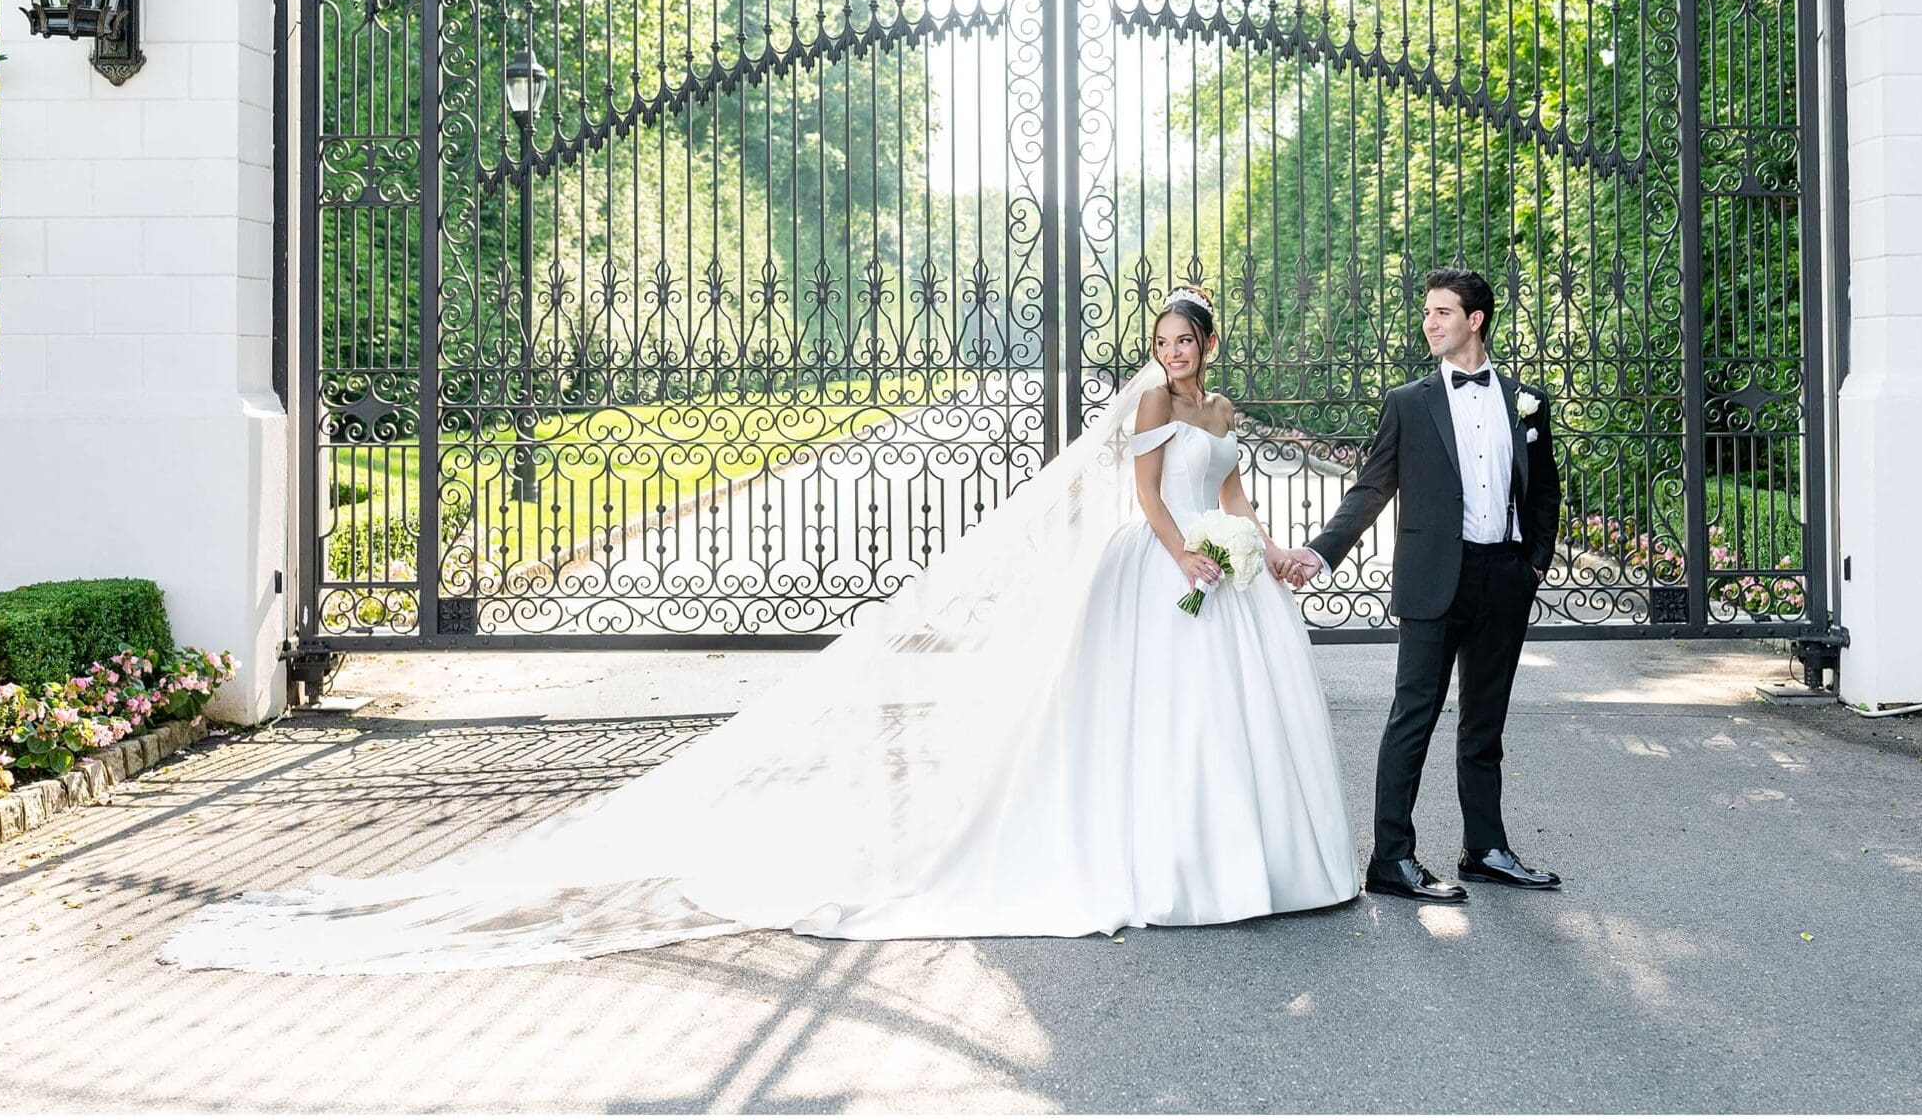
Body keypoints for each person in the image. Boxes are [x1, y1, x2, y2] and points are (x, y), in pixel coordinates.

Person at [160, 289, 1357, 971]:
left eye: (1186, 340)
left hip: (1222, 576)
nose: (1173, 354)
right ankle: (1167, 853)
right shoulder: (1147, 403)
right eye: (1163, 339)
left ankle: (1240, 856)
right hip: (1155, 573)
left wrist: (1254, 544)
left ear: (1210, 345)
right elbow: (1146, 499)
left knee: (1223, 725)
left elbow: (1228, 489)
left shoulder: (1222, 408)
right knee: (1142, 722)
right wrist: (1186, 552)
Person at [1296, 266, 1563, 903]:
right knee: (1412, 718)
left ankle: (1486, 848)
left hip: (1503, 576)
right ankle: (1391, 857)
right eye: (1427, 313)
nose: (1430, 322)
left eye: (1442, 312)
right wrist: (1321, 551)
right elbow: (1371, 487)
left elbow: (1545, 486)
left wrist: (1535, 563)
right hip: (1432, 580)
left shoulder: (1524, 401)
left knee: (1485, 723)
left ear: (1475, 320)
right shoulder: (1408, 402)